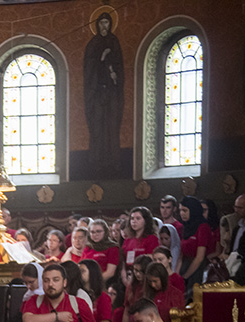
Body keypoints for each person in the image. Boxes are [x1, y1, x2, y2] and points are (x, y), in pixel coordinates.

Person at [83, 11, 123, 175]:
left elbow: (119, 65)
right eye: (101, 23)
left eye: (106, 23)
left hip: (112, 92)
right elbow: (88, 67)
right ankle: (96, 163)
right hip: (97, 92)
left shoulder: (114, 42)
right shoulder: (93, 43)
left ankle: (114, 162)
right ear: (97, 25)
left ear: (110, 24)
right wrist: (101, 58)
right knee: (97, 127)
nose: (103, 26)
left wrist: (115, 75)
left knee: (112, 126)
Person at [178, 196, 212, 299]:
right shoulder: (185, 227)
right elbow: (181, 254)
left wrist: (186, 276)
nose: (182, 213)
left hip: (197, 268)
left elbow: (200, 257)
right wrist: (177, 274)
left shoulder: (203, 227)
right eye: (180, 210)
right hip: (185, 264)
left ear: (193, 210)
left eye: (185, 210)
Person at [223, 193, 245, 284]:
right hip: (233, 264)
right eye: (235, 207)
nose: (236, 210)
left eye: (240, 208)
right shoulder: (237, 227)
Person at [123, 206, 160, 272]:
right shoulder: (128, 240)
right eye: (132, 218)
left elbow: (152, 259)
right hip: (128, 272)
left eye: (138, 218)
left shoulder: (152, 239)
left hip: (144, 272)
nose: (134, 221)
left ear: (145, 221)